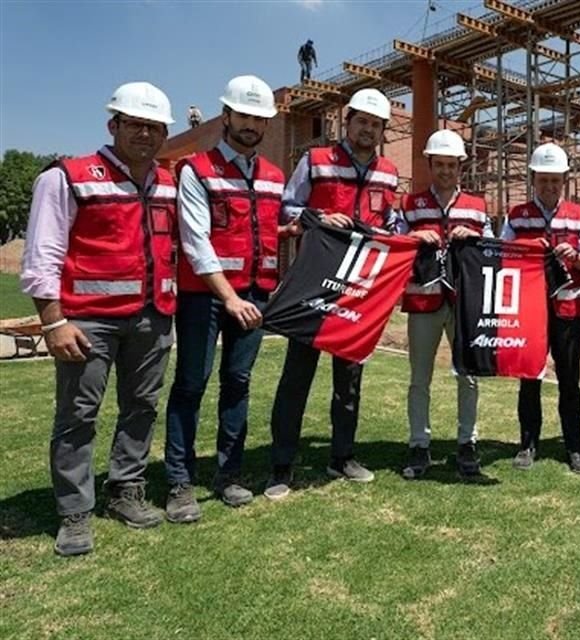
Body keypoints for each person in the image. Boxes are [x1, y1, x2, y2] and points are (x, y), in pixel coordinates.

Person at [20, 82, 177, 556]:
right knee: (77, 416)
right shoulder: (67, 177)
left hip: (153, 317)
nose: (145, 134)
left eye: (154, 126)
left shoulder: (169, 182)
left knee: (142, 407)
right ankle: (74, 511)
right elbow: (42, 254)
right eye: (135, 124)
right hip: (88, 322)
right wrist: (53, 322)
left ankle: (126, 488)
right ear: (113, 125)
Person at [164, 76, 288, 522]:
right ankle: (179, 480)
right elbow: (196, 242)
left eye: (260, 118)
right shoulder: (196, 170)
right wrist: (230, 298)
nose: (252, 124)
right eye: (246, 115)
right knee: (191, 383)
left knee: (238, 383)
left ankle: (229, 474)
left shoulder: (274, 177)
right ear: (227, 116)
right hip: (207, 298)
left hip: (255, 293)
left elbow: (271, 226)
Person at [265, 88, 399, 499]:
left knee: (350, 379)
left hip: (358, 290)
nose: (368, 129)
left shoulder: (389, 172)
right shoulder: (317, 161)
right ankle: (282, 465)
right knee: (297, 376)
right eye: (362, 121)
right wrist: (319, 217)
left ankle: (342, 456)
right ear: (348, 121)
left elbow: (392, 223)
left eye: (375, 124)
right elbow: (287, 207)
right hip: (314, 285)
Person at [398, 129, 492, 479]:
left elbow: (492, 251)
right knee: (419, 378)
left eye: (452, 165)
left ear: (460, 167)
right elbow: (393, 243)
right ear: (429, 164)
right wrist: (413, 237)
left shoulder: (478, 206)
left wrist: (476, 238)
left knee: (467, 376)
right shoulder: (409, 205)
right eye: (440, 165)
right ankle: (418, 444)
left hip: (463, 304)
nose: (446, 172)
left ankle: (467, 442)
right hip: (422, 301)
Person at [500, 142, 580, 474]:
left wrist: (576, 257)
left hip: (569, 310)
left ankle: (574, 448)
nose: (549, 186)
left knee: (570, 380)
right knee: (530, 378)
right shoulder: (517, 215)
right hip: (530, 312)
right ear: (533, 179)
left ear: (564, 180)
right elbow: (503, 255)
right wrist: (526, 247)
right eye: (543, 179)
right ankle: (528, 444)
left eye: (555, 180)